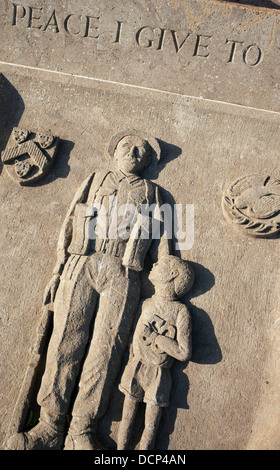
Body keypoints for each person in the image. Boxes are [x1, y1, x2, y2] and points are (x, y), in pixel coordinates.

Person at [6, 129, 170, 450]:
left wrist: (166, 287)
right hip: (82, 262)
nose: (133, 153)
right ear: (114, 152)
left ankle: (82, 428)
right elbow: (70, 221)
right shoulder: (96, 178)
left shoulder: (153, 193)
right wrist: (57, 269)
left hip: (124, 270)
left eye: (141, 151)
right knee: (66, 338)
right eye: (127, 146)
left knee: (106, 349)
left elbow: (163, 242)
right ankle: (50, 424)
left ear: (148, 161)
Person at [117, 254, 194, 450]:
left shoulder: (180, 311)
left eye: (161, 264)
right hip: (137, 366)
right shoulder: (147, 303)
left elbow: (184, 352)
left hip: (159, 374)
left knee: (150, 425)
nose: (154, 264)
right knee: (127, 417)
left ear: (172, 274)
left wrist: (157, 338)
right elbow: (133, 339)